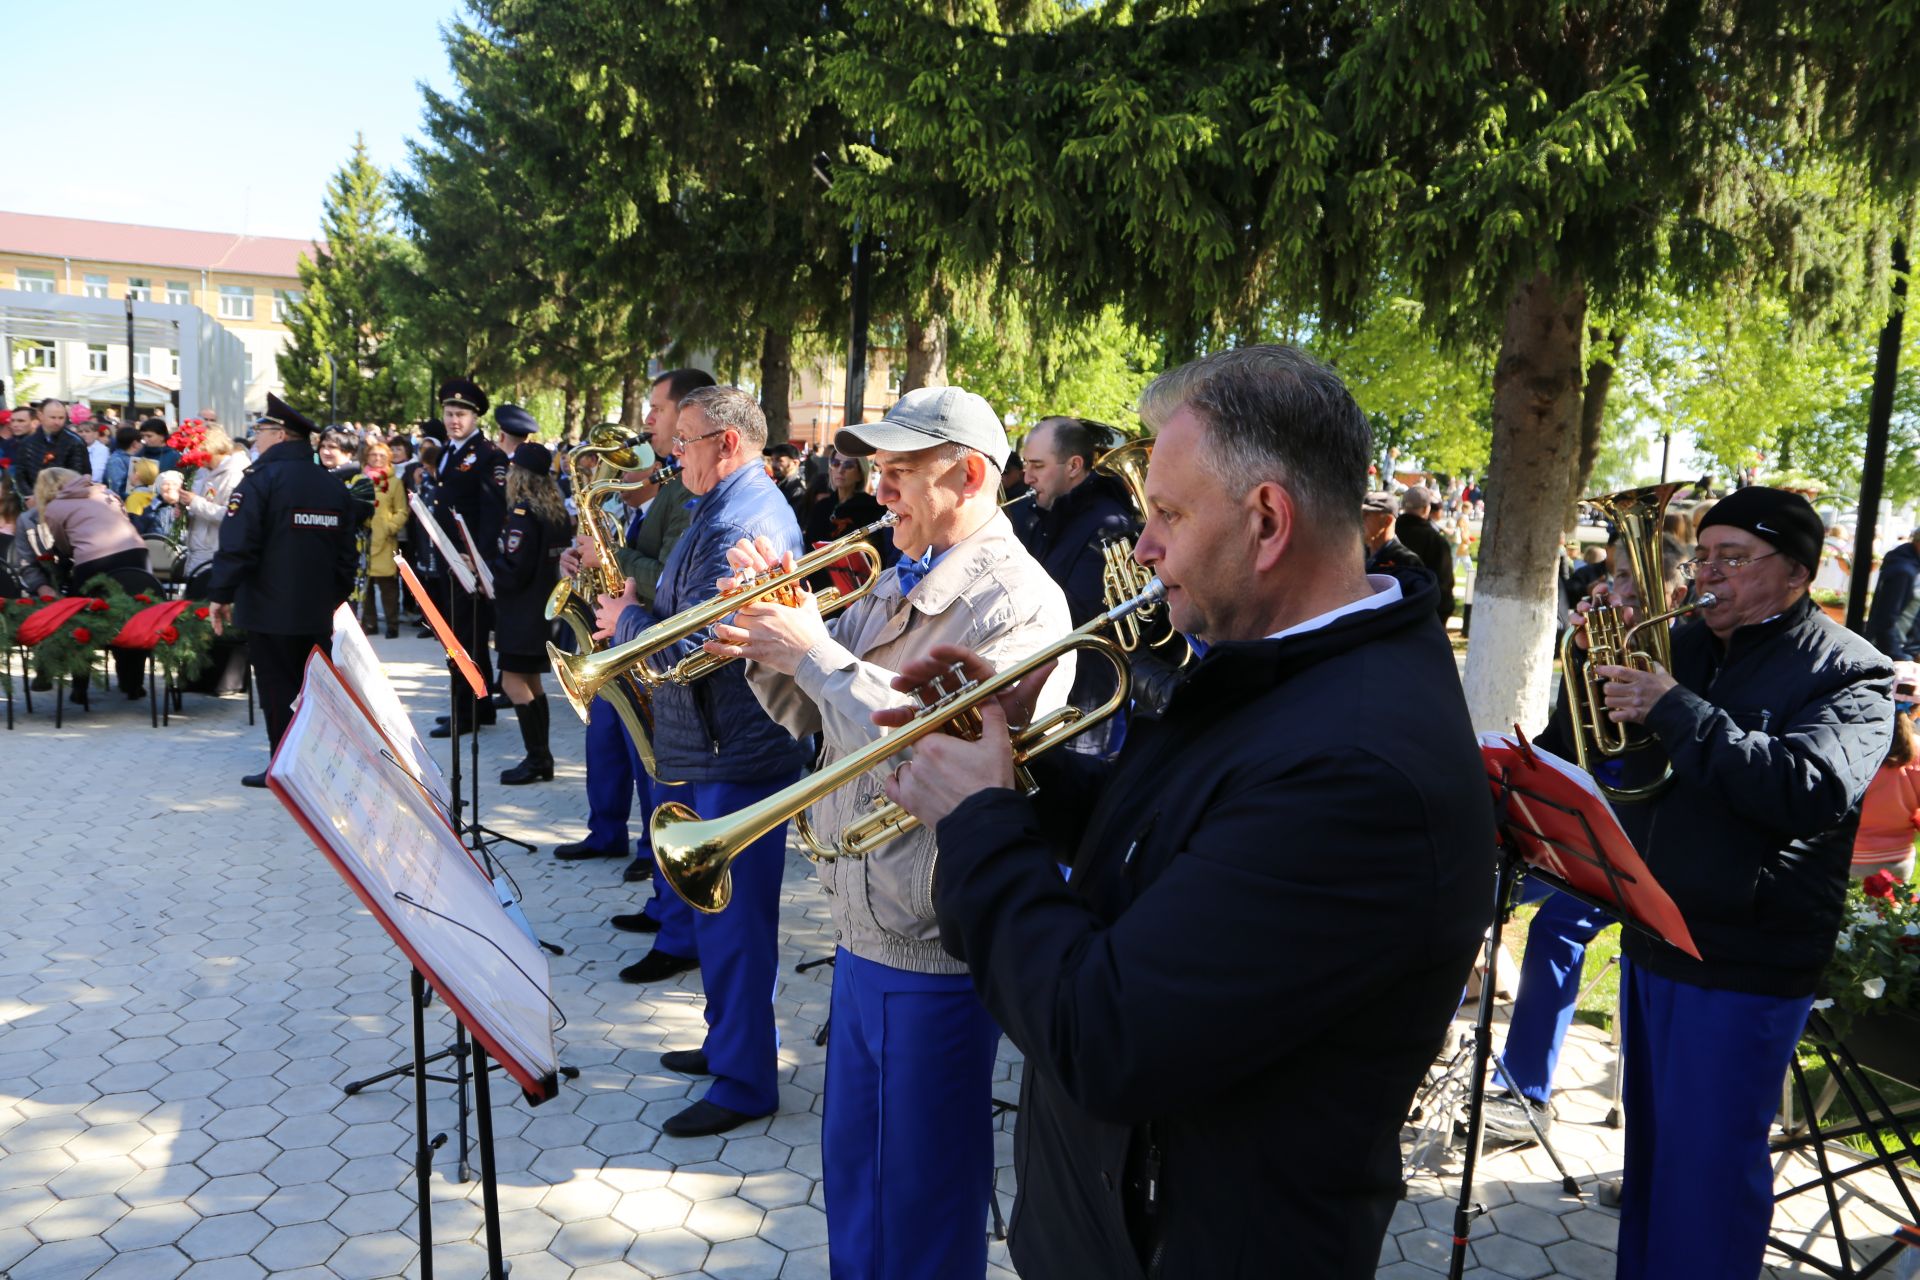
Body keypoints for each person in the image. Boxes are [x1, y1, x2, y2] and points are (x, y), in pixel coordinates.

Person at [877, 345, 1494, 1277]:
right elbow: (1166, 841)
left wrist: (978, 824)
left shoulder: (1356, 769)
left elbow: (1106, 1035)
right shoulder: (1277, 663)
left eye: (1165, 513)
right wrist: (1015, 762)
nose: (1143, 546)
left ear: (1269, 520)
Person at [711, 385, 1074, 1280]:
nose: (880, 492)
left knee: (920, 1213)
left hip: (937, 951)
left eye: (901, 472)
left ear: (973, 475)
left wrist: (815, 650)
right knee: (860, 1199)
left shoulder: (1022, 604)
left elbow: (936, 751)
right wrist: (769, 636)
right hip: (863, 933)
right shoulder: (898, 579)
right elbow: (817, 719)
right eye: (879, 470)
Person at [1566, 486, 1892, 1278]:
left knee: (1706, 1178)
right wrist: (1592, 659)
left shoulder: (1854, 672)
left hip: (1747, 952)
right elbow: (1612, 765)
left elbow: (1806, 790)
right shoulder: (1678, 644)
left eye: (1734, 559)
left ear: (1797, 574)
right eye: (1703, 556)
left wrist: (1676, 708)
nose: (1707, 575)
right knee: (1652, 1169)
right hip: (1656, 932)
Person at [592, 385, 810, 1138]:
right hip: (718, 741)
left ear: (726, 443)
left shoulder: (741, 517)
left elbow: (700, 644)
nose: (670, 451)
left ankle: (748, 1080)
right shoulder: (720, 507)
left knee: (736, 921)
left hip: (738, 748)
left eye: (684, 440)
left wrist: (627, 622)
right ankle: (728, 1043)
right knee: (718, 916)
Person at [1487, 531, 1690, 1146]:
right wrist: (1576, 662)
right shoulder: (1601, 652)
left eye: (1630, 581)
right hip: (1578, 830)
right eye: (1615, 575)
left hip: (1648, 846)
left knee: (1557, 926)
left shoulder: (1686, 662)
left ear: (1673, 592)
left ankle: (1526, 1093)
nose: (1613, 590)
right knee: (1472, 887)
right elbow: (1563, 744)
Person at [551, 369, 710, 879]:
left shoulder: (681, 496)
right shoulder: (647, 501)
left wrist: (609, 556)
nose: (646, 420)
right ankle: (609, 833)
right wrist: (579, 564)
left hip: (650, 644)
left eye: (656, 410)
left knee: (651, 767)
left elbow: (666, 575)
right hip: (618, 637)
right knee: (607, 745)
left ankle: (653, 860)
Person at [206, 395, 359, 787]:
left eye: (260, 430)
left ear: (280, 435)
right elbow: (347, 556)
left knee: (278, 689)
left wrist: (220, 594)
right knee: (314, 689)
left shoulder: (261, 482)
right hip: (317, 612)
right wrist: (333, 599)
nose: (256, 438)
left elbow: (239, 543)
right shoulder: (332, 486)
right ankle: (320, 763)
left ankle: (287, 767)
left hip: (268, 610)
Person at [1016, 416, 1137, 749]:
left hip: (1086, 705)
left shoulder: (1109, 524)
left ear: (1074, 466)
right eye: (1026, 465)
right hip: (1053, 692)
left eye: (1037, 466)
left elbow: (1082, 615)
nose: (1027, 477)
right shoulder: (1042, 515)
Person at [488, 442, 572, 785]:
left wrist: (490, 564)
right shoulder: (555, 512)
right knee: (532, 683)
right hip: (542, 609)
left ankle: (537, 757)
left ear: (519, 475)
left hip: (520, 611)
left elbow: (514, 569)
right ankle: (542, 756)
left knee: (511, 681)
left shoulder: (524, 514)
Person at [428, 379, 507, 738]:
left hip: (468, 561)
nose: (453, 420)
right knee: (459, 634)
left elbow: (492, 513)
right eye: (448, 413)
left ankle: (468, 711)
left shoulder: (488, 455)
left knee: (465, 638)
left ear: (475, 417)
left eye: (460, 414)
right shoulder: (449, 451)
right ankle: (481, 704)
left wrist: (480, 558)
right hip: (449, 558)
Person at [36, 466, 155, 701]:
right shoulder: (105, 492)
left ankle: (80, 687)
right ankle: (132, 684)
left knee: (82, 619)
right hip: (137, 556)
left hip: (93, 563)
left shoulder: (55, 508)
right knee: (133, 616)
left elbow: (64, 545)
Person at [1851, 659, 1920, 880]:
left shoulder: (1857, 743)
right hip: (1898, 859)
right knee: (1891, 914)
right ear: (1918, 710)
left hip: (1850, 855)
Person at [361, 440, 407, 638]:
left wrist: (390, 526)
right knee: (366, 586)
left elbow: (402, 510)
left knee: (388, 586)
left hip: (385, 539)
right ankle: (370, 623)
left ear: (388, 457)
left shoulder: (395, 482)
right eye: (373, 455)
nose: (377, 458)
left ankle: (392, 624)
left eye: (381, 455)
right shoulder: (360, 479)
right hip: (365, 538)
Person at [1396, 484, 1456, 623]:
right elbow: (1444, 584)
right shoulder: (1436, 542)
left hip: (1389, 613)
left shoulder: (1387, 533)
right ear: (1426, 508)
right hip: (1425, 617)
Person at [12, 399, 90, 497]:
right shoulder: (27, 442)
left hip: (66, 500)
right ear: (40, 416)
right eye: (53, 417)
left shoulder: (74, 442)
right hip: (34, 500)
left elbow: (81, 473)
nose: (57, 422)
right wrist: (30, 497)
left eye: (61, 418)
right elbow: (20, 474)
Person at [1866, 528, 1920, 661]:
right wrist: (1900, 658)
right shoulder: (1903, 571)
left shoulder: (1907, 564)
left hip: (1903, 651)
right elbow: (1886, 620)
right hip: (1896, 654)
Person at [1362, 489, 1424, 576]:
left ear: (1387, 521)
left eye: (1366, 515)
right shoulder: (1358, 552)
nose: (1359, 521)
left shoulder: (1407, 562)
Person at [767, 442, 807, 518]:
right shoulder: (775, 484)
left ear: (795, 463)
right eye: (772, 460)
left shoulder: (797, 492)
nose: (773, 465)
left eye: (779, 460)